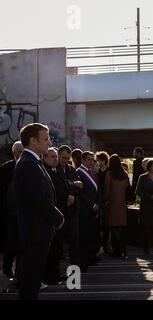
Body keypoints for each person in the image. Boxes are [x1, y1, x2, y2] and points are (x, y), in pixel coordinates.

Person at [14, 123, 64, 300]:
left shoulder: (33, 161)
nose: (49, 142)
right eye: (45, 138)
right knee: (31, 279)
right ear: (33, 141)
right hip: (35, 231)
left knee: (33, 278)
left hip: (38, 229)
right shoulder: (28, 163)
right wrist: (58, 217)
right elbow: (38, 199)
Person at [42, 148, 66, 284]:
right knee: (51, 249)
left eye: (56, 157)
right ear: (45, 158)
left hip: (58, 215)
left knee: (56, 248)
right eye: (52, 156)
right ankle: (50, 276)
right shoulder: (44, 170)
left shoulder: (55, 170)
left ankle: (54, 273)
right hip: (51, 216)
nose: (55, 159)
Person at [1, 141, 24, 279]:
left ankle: (19, 269)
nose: (22, 154)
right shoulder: (6, 168)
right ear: (14, 152)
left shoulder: (29, 166)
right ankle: (7, 268)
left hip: (24, 212)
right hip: (10, 212)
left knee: (22, 241)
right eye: (20, 151)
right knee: (10, 241)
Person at [57, 145, 83, 267]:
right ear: (58, 156)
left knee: (75, 238)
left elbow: (80, 188)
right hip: (60, 209)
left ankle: (75, 264)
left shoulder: (71, 170)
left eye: (68, 158)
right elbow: (57, 187)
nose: (65, 160)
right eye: (63, 157)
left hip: (72, 210)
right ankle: (56, 267)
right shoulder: (54, 169)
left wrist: (72, 195)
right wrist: (68, 196)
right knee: (58, 239)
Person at [76, 151, 100, 272]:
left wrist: (97, 204)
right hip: (85, 209)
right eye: (89, 159)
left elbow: (96, 189)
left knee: (91, 235)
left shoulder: (91, 172)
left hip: (93, 210)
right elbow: (80, 193)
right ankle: (83, 262)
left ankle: (90, 258)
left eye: (93, 159)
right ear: (83, 160)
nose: (92, 161)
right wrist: (91, 205)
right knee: (84, 237)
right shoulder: (79, 172)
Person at [103, 154, 130, 259]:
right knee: (122, 228)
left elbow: (106, 191)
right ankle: (124, 250)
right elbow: (128, 189)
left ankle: (117, 250)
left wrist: (104, 201)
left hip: (112, 204)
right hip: (123, 204)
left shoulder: (109, 174)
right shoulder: (125, 175)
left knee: (113, 227)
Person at [95, 151, 110, 254]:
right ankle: (99, 245)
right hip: (99, 199)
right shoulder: (97, 172)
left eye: (99, 160)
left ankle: (105, 245)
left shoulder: (109, 172)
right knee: (99, 224)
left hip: (107, 200)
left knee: (106, 224)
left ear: (104, 161)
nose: (97, 162)